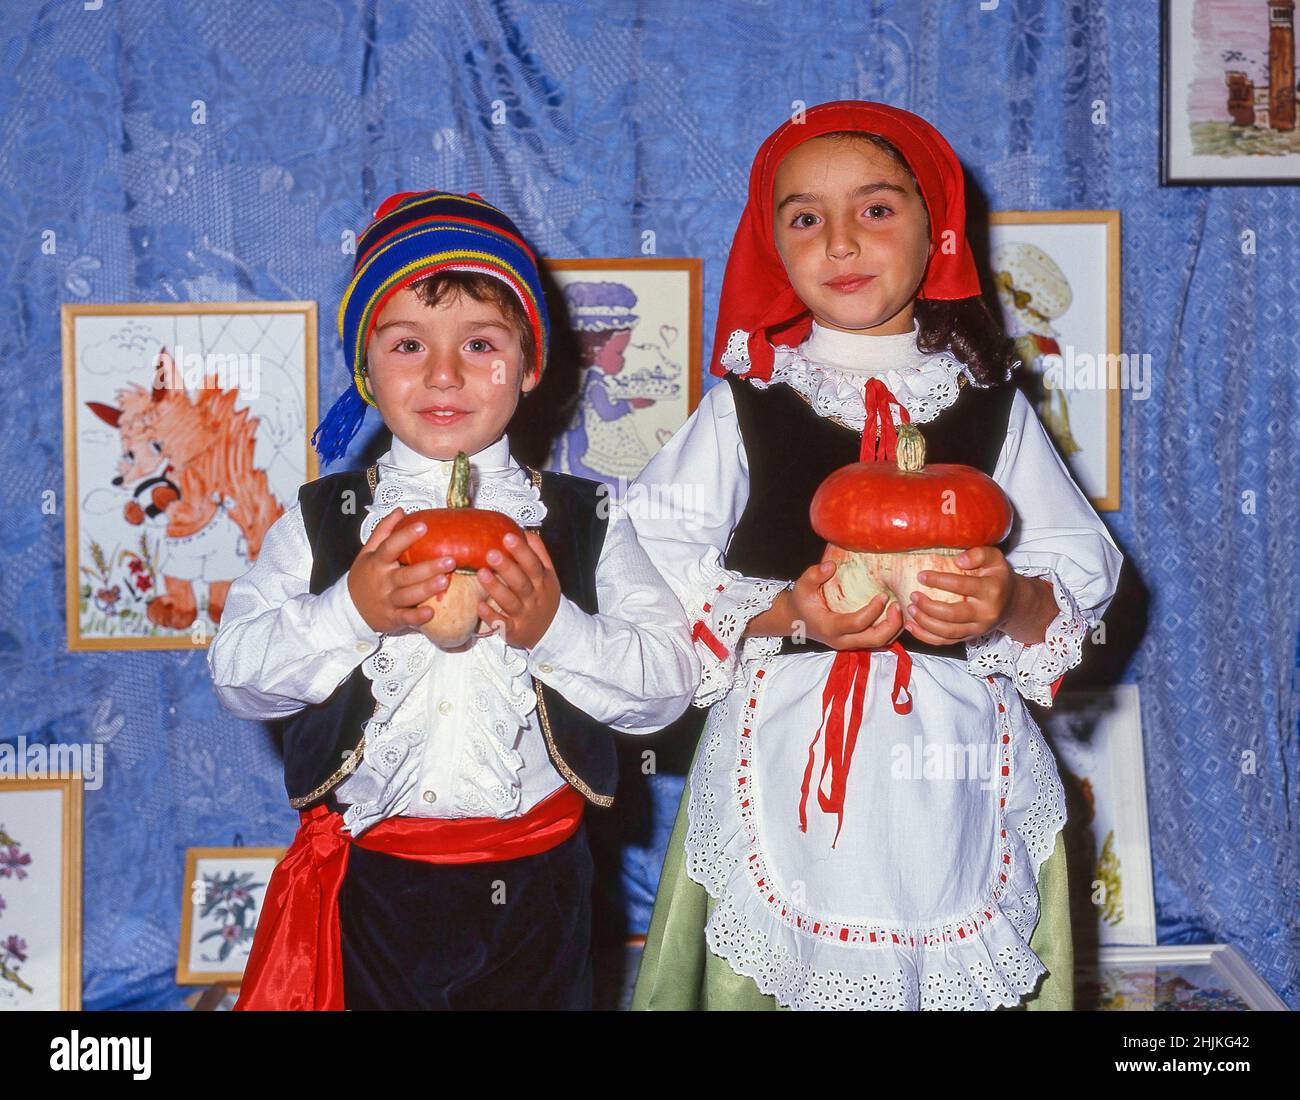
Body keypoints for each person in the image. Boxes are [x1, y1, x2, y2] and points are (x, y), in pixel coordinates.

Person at [629, 102, 1124, 1011]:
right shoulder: (749, 406)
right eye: (806, 218)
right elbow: (650, 563)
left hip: (954, 766)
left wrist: (1007, 601)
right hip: (782, 756)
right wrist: (789, 614)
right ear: (773, 246)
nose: (842, 242)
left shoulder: (988, 407)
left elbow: (1075, 576)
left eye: (877, 209)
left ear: (937, 232)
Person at [207, 189, 698, 1010]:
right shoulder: (328, 519)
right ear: (366, 368)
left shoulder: (584, 520)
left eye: (479, 343)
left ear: (531, 363)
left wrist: (555, 631)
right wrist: (350, 611)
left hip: (541, 891)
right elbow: (236, 675)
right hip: (378, 889)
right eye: (407, 345)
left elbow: (668, 688)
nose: (444, 374)